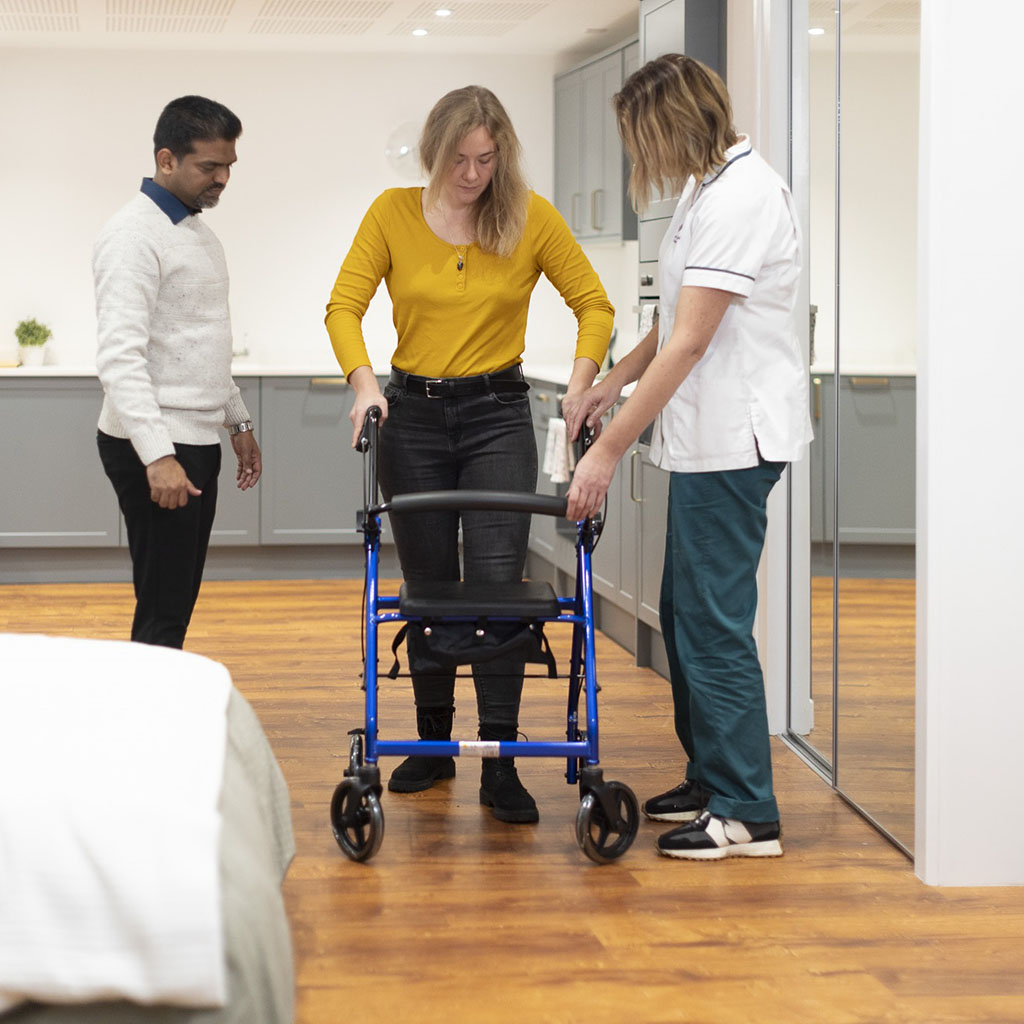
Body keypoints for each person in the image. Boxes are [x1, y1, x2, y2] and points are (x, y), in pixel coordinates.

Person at [326, 85, 613, 824]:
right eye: (460, 159)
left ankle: (500, 760)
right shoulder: (392, 213)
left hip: (496, 417)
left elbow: (595, 304)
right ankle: (428, 745)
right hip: (413, 417)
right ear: (435, 151)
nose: (474, 174)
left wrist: (582, 389)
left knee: (493, 585)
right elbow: (344, 306)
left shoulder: (527, 216)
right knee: (426, 581)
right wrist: (364, 386)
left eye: (487, 159)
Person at [563, 54, 812, 859]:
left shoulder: (743, 195)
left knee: (713, 624)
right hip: (705, 440)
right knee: (686, 614)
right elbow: (670, 324)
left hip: (734, 440)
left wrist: (605, 450)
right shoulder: (709, 189)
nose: (642, 160)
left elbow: (695, 343)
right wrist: (612, 380)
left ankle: (748, 811)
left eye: (643, 141)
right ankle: (712, 777)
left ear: (674, 124)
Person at [95, 95, 261, 650]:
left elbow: (203, 340)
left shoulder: (196, 232)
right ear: (167, 159)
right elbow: (120, 358)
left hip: (193, 438)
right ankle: (147, 728)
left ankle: (154, 715)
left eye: (229, 166)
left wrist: (237, 422)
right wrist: (157, 455)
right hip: (159, 444)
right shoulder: (132, 236)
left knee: (176, 598)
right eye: (210, 167)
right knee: (164, 606)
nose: (223, 179)